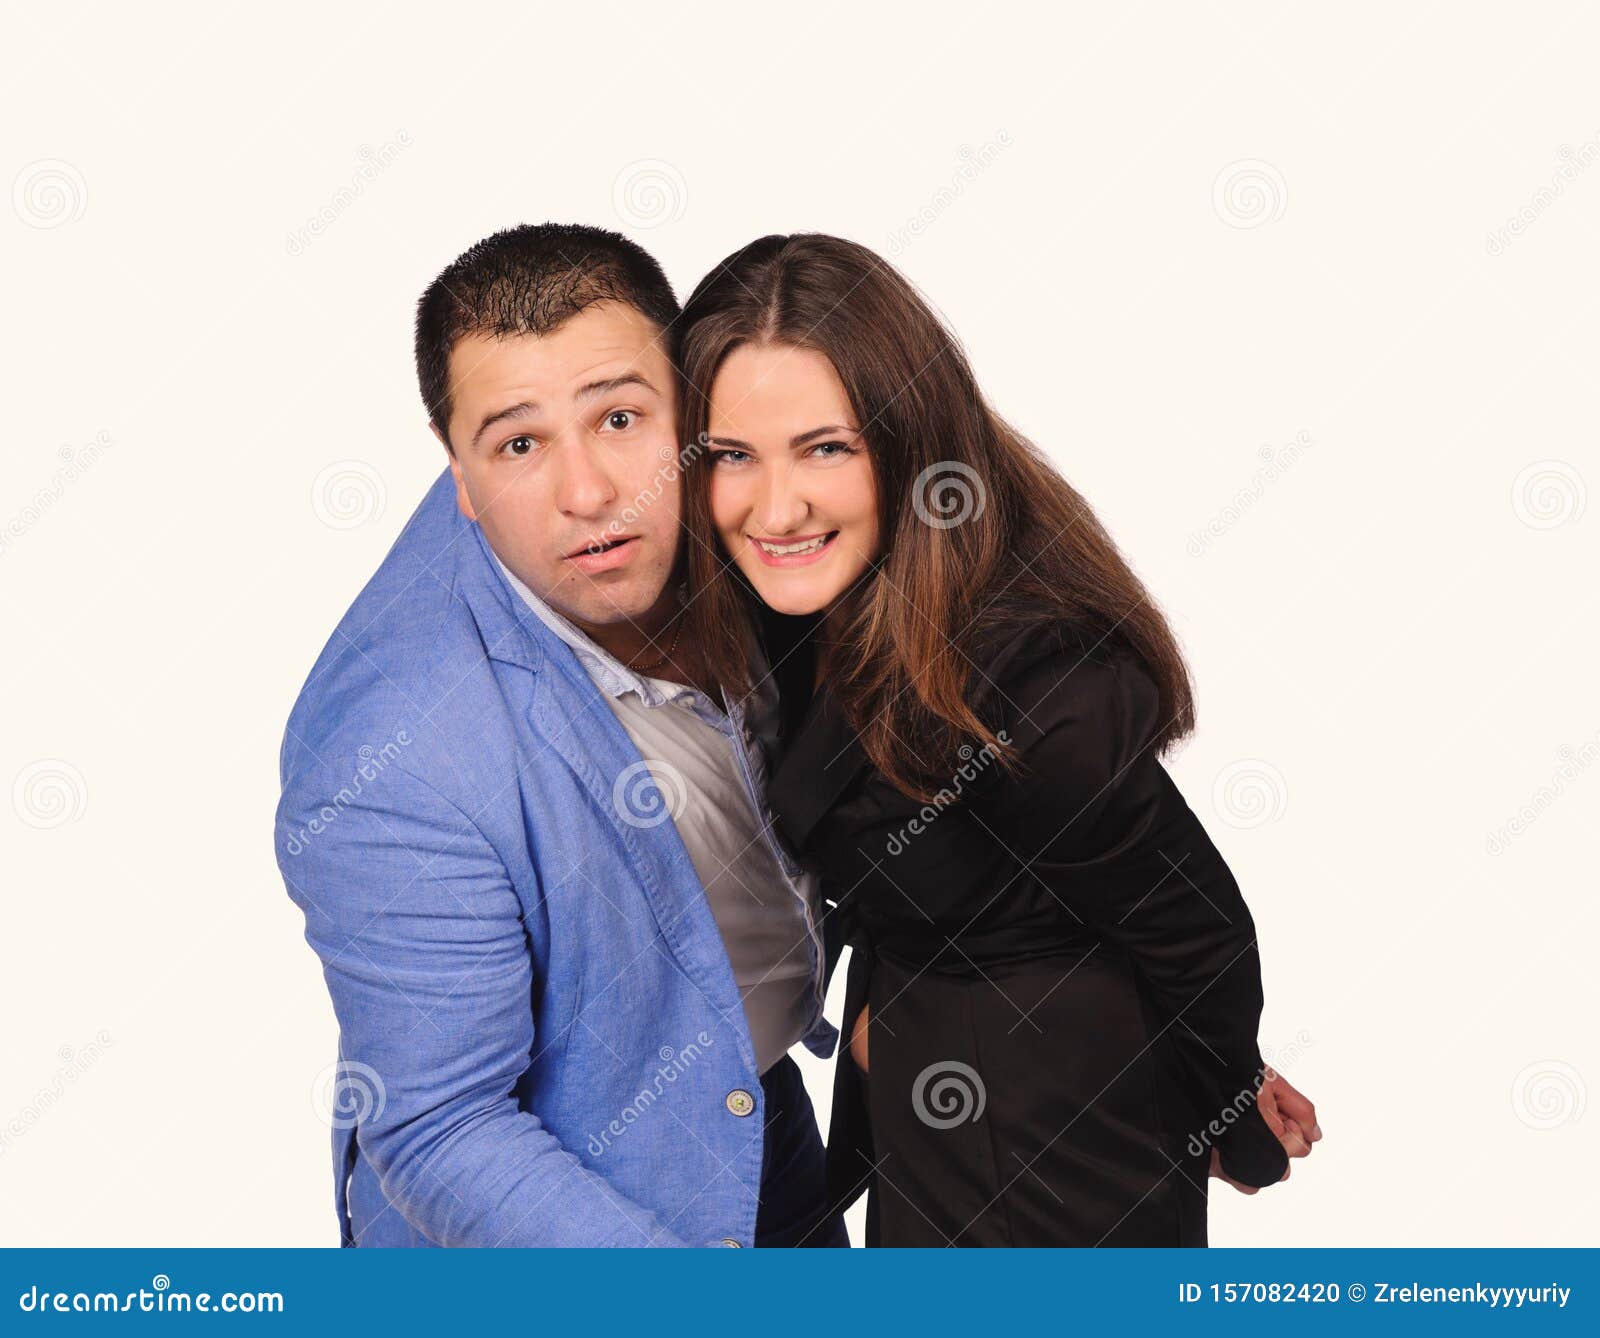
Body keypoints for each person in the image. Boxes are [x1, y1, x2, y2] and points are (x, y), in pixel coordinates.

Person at [674, 233, 1322, 1246]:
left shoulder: (1035, 677)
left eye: (825, 447)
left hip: (1050, 1161)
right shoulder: (806, 597)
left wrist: (1222, 1103)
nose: (776, 505)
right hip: (929, 1119)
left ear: (904, 439)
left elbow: (1192, 928)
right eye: (731, 456)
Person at [274, 223, 846, 1248]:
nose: (587, 495)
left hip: (755, 1112)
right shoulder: (392, 752)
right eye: (519, 445)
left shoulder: (753, 507)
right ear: (460, 472)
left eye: (620, 418)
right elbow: (443, 1128)